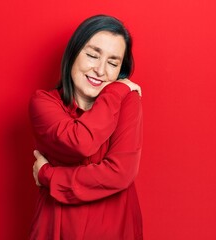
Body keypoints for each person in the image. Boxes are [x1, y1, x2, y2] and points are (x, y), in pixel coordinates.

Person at [29, 14, 143, 239]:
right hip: (56, 227)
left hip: (114, 228)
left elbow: (120, 173)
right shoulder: (43, 103)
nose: (100, 70)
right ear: (73, 54)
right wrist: (117, 91)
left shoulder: (128, 101)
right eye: (92, 55)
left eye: (112, 63)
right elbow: (80, 143)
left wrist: (48, 175)